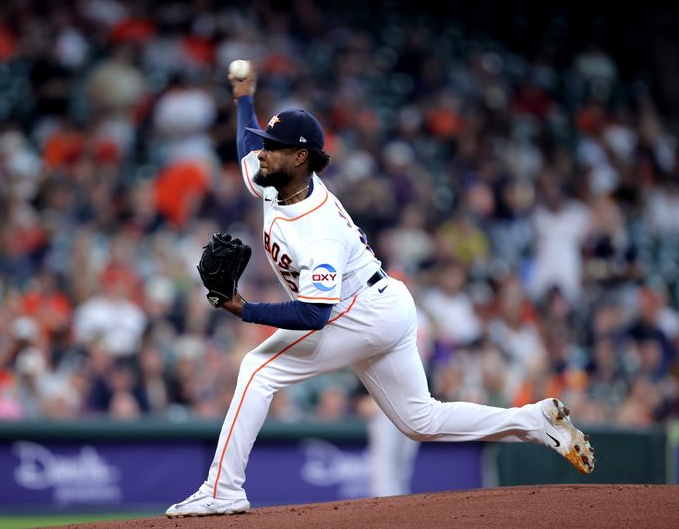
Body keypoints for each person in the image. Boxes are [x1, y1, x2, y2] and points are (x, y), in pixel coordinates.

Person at [165, 62, 596, 518]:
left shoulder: (320, 231)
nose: (264, 153)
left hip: (359, 311)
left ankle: (223, 489)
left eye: (275, 147)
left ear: (301, 157)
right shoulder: (278, 182)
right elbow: (246, 148)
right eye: (268, 144)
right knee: (420, 421)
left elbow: (314, 316)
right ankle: (533, 421)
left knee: (257, 368)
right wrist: (244, 98)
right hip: (382, 303)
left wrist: (243, 308)